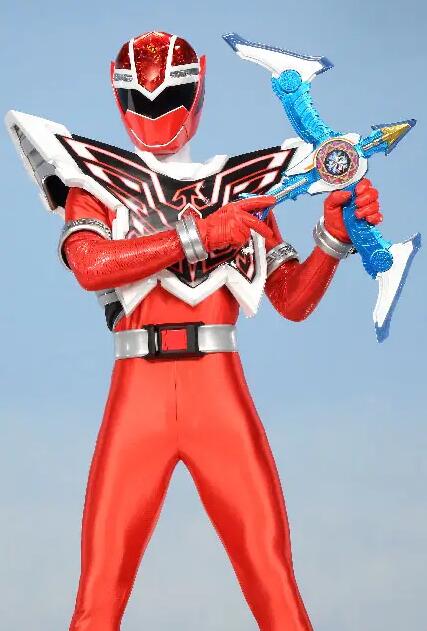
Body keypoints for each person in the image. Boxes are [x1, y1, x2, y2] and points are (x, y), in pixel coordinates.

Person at [11, 31, 382, 631]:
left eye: (171, 96)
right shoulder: (94, 183)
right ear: (117, 92)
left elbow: (290, 300)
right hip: (139, 393)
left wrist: (333, 239)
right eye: (142, 98)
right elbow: (90, 266)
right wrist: (200, 235)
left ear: (200, 83)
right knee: (99, 594)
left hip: (217, 389)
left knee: (272, 581)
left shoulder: (244, 186)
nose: (157, 110)